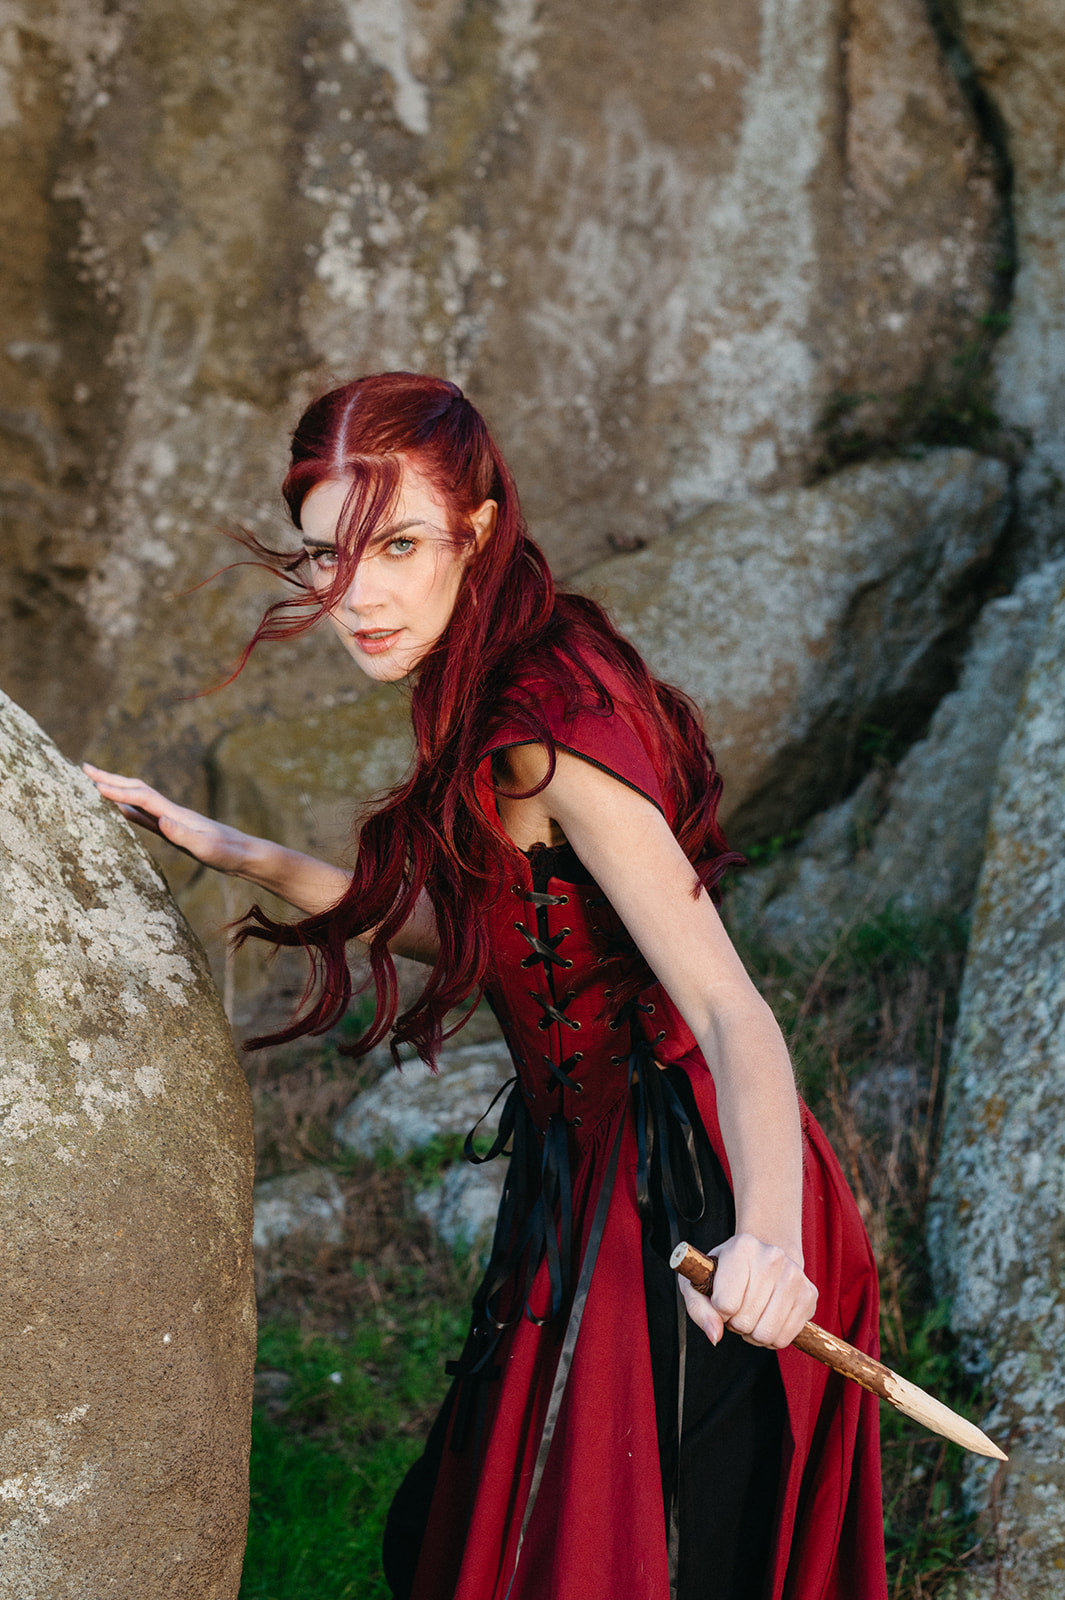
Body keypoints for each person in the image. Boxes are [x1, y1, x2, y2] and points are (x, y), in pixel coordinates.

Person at [84, 372, 887, 1600]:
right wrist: (237, 850)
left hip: (690, 1194)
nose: (354, 594)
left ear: (479, 525)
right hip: (588, 1173)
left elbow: (731, 1009)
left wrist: (770, 1239)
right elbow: (498, 936)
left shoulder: (543, 730)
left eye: (396, 545)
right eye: (326, 556)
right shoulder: (489, 668)